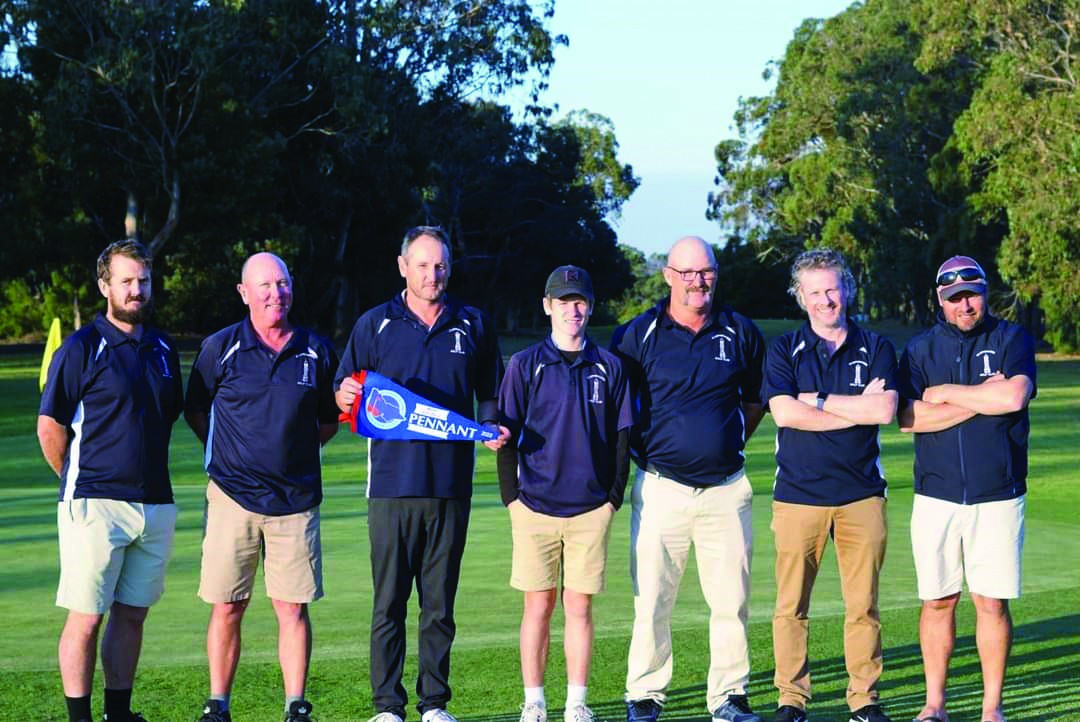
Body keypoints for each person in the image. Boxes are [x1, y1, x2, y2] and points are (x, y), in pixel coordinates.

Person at [334, 226, 509, 722]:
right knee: (388, 602)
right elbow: (344, 386)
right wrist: (343, 395)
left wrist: (492, 421)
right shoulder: (374, 324)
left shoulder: (472, 324)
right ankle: (388, 706)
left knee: (439, 605)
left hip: (451, 487)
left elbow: (491, 391)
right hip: (390, 487)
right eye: (423, 265)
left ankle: (434, 703)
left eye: (441, 265)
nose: (433, 275)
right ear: (402, 266)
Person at [612, 236, 766, 722]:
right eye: (688, 273)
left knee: (730, 603)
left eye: (707, 272)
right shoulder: (638, 335)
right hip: (661, 488)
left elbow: (755, 399)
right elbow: (621, 408)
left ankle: (728, 697)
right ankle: (645, 695)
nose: (699, 282)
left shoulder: (739, 331)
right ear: (668, 275)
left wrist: (726, 438)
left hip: (727, 489)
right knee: (653, 599)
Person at [184, 252, 340, 722]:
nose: (276, 293)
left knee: (292, 609)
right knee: (228, 606)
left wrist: (290, 453)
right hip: (232, 499)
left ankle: (296, 705)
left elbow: (329, 421)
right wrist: (233, 457)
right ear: (244, 293)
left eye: (283, 283)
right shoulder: (220, 347)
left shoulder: (317, 349)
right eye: (265, 286)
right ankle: (219, 704)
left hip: (295, 503)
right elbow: (197, 411)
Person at [38, 239, 184, 722]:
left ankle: (117, 714)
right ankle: (80, 718)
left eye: (143, 280)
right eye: (126, 280)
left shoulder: (163, 348)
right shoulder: (81, 347)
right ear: (105, 286)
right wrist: (78, 481)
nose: (136, 289)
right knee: (87, 617)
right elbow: (51, 426)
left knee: (132, 614)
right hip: (95, 504)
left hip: (155, 503)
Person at [897, 256, 1036, 722]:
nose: (965, 304)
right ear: (940, 299)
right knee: (938, 601)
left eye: (971, 294)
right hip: (934, 495)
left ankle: (990, 708)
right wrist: (981, 397)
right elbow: (909, 418)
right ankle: (934, 705)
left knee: (991, 602)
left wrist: (947, 393)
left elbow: (1013, 396)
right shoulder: (920, 349)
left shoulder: (1011, 337)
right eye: (954, 297)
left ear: (984, 291)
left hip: (998, 493)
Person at [762, 248, 898, 722]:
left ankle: (864, 700)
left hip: (862, 494)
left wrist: (817, 401)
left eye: (832, 289)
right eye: (815, 291)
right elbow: (784, 413)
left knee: (863, 607)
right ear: (801, 298)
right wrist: (850, 409)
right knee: (791, 607)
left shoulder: (876, 346)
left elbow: (882, 412)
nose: (826, 300)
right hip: (798, 495)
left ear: (847, 290)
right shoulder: (784, 349)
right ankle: (791, 699)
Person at [497, 266, 634, 722]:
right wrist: (510, 498)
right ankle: (534, 701)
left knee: (579, 607)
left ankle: (577, 702)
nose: (572, 309)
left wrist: (613, 497)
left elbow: (621, 440)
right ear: (547, 305)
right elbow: (505, 434)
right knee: (537, 606)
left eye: (580, 301)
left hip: (590, 509)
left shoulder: (609, 367)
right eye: (563, 300)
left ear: (590, 306)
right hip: (533, 506)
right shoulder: (524, 365)